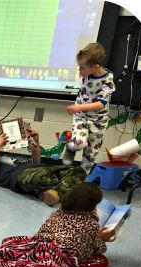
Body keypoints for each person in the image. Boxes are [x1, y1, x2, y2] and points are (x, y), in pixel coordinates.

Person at [0, 131, 86, 205]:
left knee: (78, 171)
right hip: (20, 176)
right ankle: (60, 193)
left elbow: (36, 162)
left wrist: (36, 143)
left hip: (41, 169)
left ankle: (53, 193)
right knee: (46, 177)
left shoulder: (7, 157)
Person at [62, 43, 115, 172]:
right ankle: (70, 148)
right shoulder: (86, 73)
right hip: (81, 117)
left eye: (82, 68)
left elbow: (100, 104)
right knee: (78, 142)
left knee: (90, 155)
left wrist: (79, 107)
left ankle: (81, 181)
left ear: (95, 67)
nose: (79, 71)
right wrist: (79, 109)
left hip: (98, 121)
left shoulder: (108, 80)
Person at [35, 182, 115, 266]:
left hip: (37, 248)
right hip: (58, 259)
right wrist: (101, 238)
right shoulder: (91, 223)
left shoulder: (58, 212)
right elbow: (98, 249)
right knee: (102, 261)